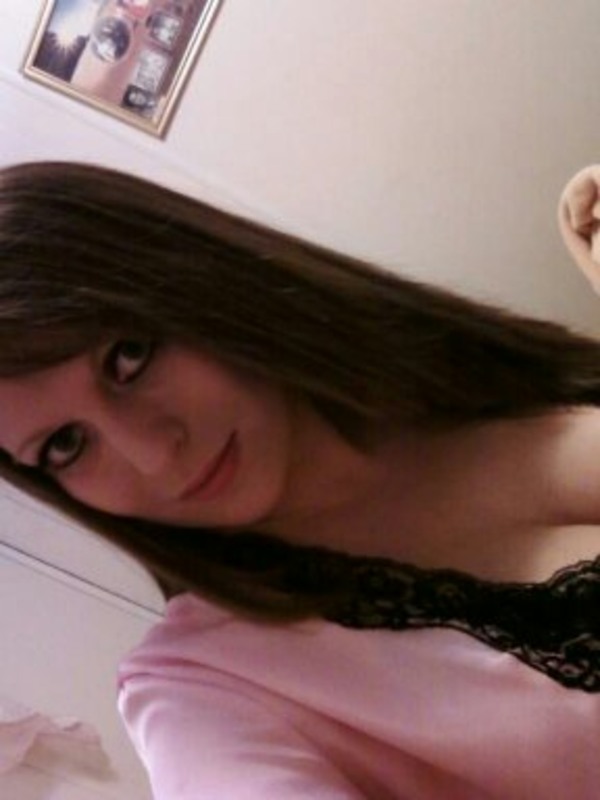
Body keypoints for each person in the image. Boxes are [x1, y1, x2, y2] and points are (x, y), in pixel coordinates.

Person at [0, 160, 597, 799]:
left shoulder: (476, 376)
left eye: (128, 356)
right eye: (66, 445)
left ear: (197, 274)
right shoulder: (201, 690)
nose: (152, 456)